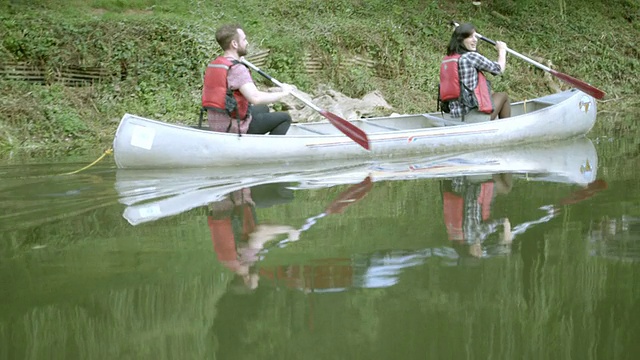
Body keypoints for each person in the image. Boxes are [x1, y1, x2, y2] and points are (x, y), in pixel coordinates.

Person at [202, 23, 294, 135]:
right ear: (234, 44)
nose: (247, 43)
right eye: (244, 39)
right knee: (285, 118)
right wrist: (283, 94)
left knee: (263, 108)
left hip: (217, 123)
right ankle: (267, 150)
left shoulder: (217, 64)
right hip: (232, 127)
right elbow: (255, 98)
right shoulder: (237, 69)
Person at [439, 23, 511, 121]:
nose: (475, 40)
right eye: (470, 37)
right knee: (503, 96)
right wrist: (502, 51)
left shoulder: (448, 60)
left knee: (492, 93)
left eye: (475, 36)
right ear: (461, 40)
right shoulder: (471, 57)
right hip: (472, 118)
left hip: (453, 117)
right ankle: (504, 130)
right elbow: (498, 69)